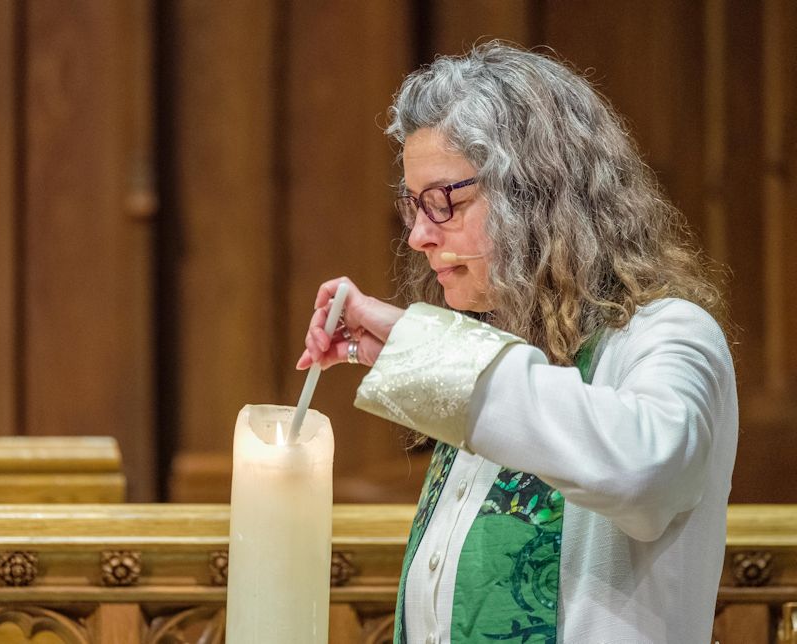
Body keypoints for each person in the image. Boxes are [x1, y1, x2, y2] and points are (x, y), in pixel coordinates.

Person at [297, 42, 737, 644]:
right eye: (412, 205)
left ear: (534, 193)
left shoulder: (669, 333)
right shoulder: (489, 340)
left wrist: (427, 350)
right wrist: (415, 358)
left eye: (443, 201)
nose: (420, 236)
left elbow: (647, 472)